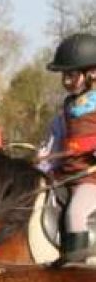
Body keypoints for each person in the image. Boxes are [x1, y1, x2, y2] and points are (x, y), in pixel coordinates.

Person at [37, 32, 96, 261]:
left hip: (90, 180)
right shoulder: (69, 109)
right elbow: (58, 145)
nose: (66, 81)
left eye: (71, 75)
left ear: (91, 73)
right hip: (66, 175)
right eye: (64, 75)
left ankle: (75, 270)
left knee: (75, 214)